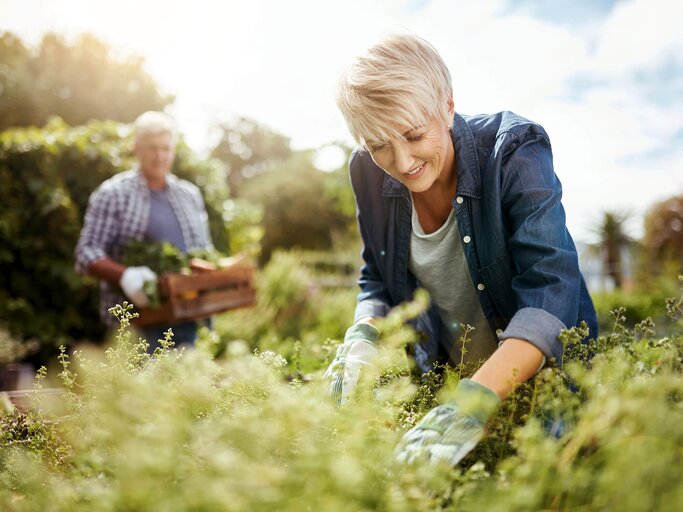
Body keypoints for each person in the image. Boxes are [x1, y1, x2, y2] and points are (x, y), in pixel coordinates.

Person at [325, 33, 598, 466]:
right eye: (379, 144)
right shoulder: (366, 172)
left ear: (447, 106)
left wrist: (473, 404)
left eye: (414, 135)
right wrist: (364, 333)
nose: (402, 162)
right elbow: (376, 275)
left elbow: (551, 293)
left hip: (544, 384)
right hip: (446, 385)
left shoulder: (514, 152)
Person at [75, 111, 214, 350]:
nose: (159, 156)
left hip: (190, 319)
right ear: (136, 148)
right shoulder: (113, 194)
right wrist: (124, 275)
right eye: (152, 148)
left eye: (165, 148)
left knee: (190, 386)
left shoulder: (189, 195)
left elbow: (205, 252)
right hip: (137, 323)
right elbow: (85, 253)